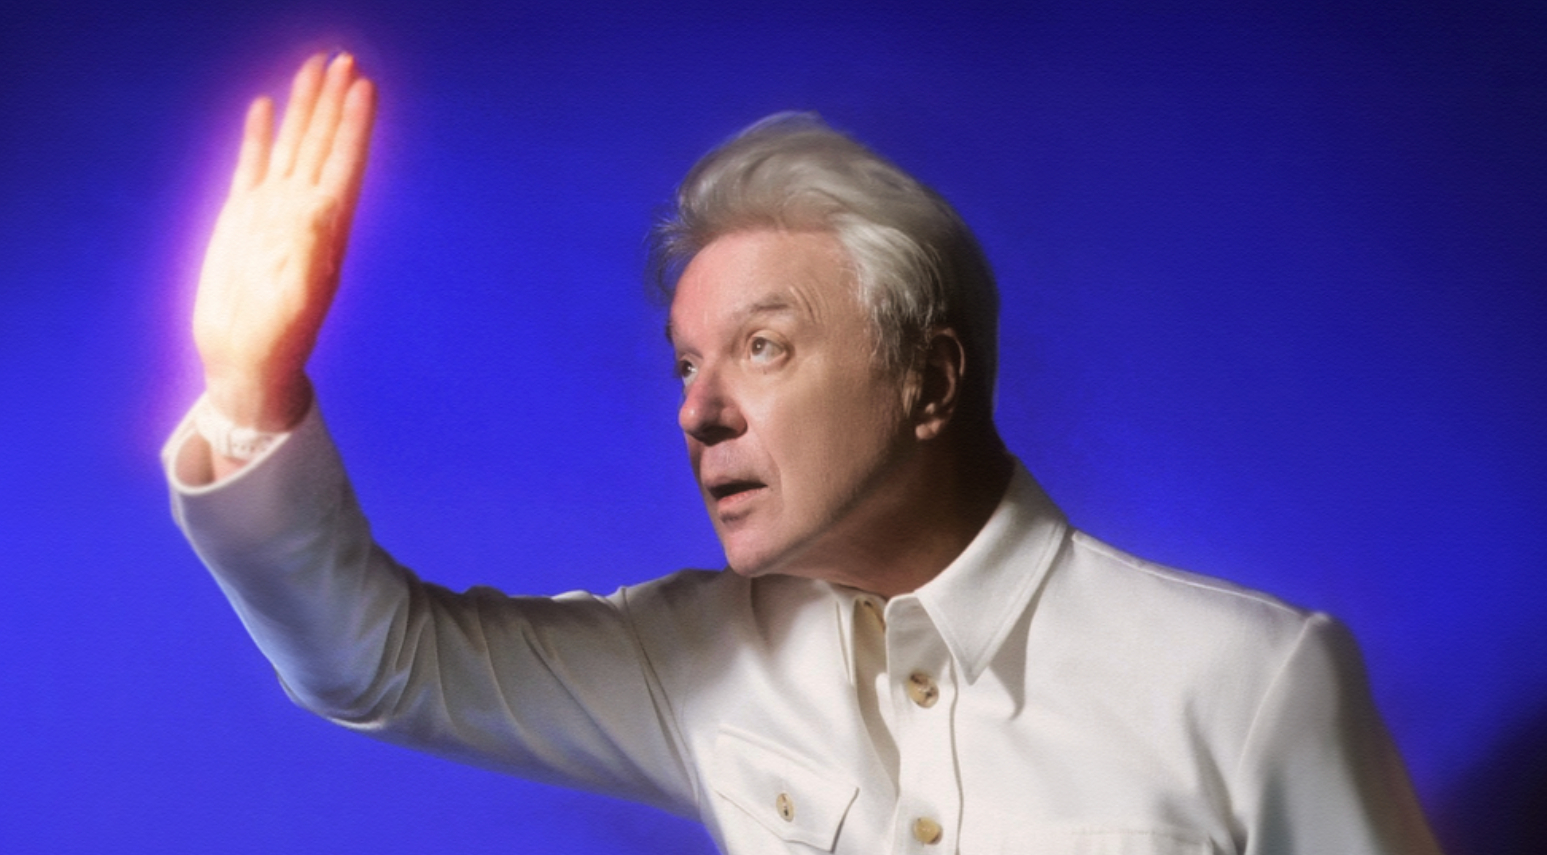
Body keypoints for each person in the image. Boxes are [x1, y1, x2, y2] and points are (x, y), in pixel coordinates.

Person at [165, 52, 1442, 854]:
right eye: (684, 362)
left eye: (762, 348)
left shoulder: (1251, 679)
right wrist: (249, 389)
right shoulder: (692, 663)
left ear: (929, 378)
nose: (696, 410)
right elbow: (382, 666)